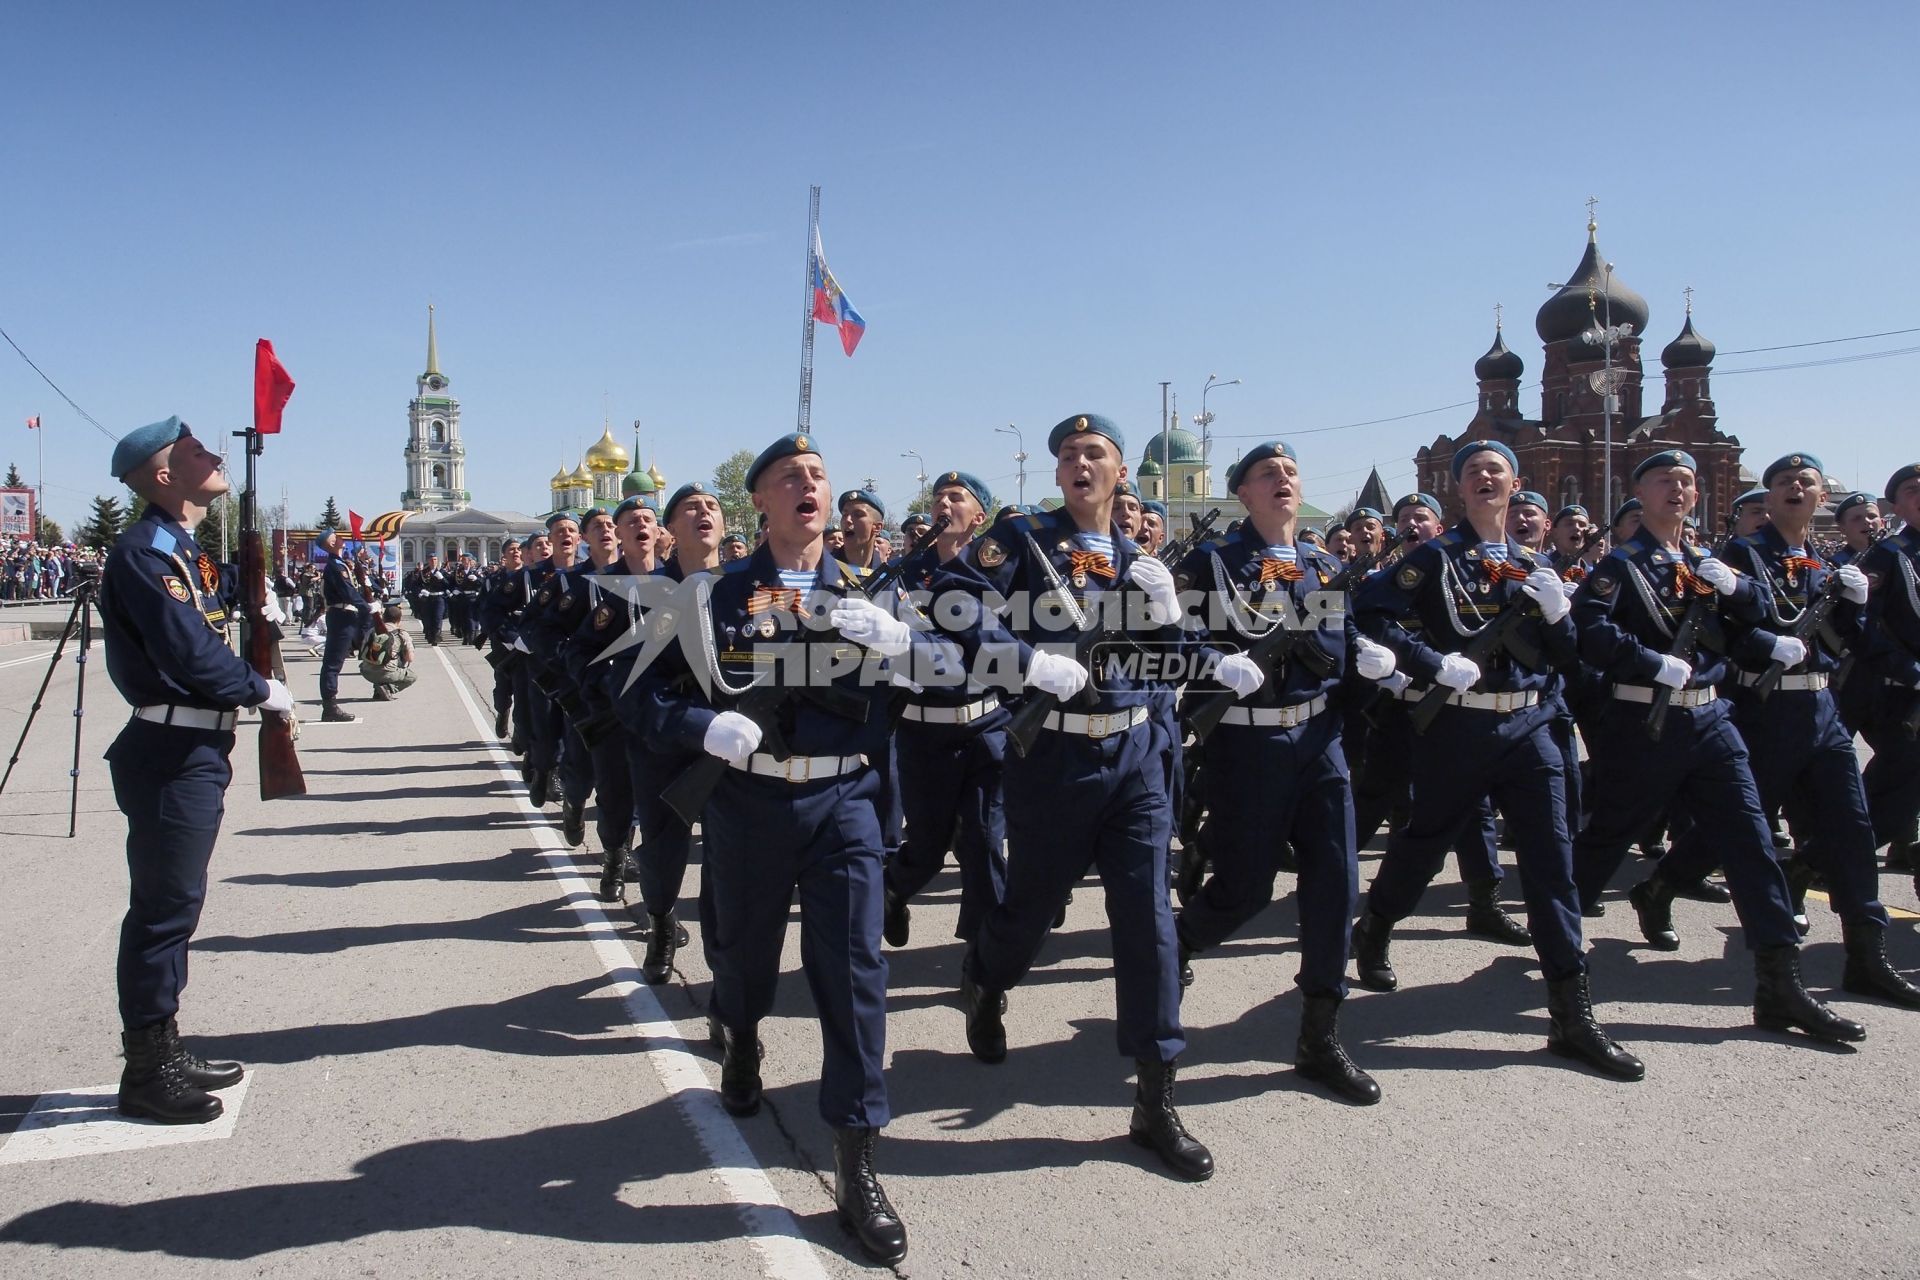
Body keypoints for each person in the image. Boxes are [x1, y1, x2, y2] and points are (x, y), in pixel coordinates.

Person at [637, 433, 948, 1265]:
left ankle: (856, 1163)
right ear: (762, 503)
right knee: (742, 958)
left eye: (818, 475)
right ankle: (739, 1036)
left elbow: (956, 666)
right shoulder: (711, 598)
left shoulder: (875, 591)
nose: (810, 486)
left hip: (846, 798)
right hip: (747, 801)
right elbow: (644, 701)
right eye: (790, 477)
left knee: (854, 975)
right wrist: (706, 724)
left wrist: (903, 645)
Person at [931, 412, 1215, 1182]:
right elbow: (954, 604)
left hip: (1136, 759)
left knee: (1149, 921)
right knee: (1030, 910)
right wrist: (1024, 662)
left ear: (1122, 473)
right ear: (1058, 475)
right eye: (1069, 455)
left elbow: (1174, 669)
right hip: (1052, 754)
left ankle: (1155, 1099)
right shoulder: (1022, 540)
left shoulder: (1139, 557)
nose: (1080, 462)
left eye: (1096, 453)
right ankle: (987, 983)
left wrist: (1171, 621)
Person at [1352, 439, 1643, 1081]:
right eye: (1474, 471)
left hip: (1532, 724)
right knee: (1424, 841)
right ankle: (1374, 924)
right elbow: (1369, 615)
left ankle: (1572, 1013)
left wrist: (1561, 613)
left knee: (1550, 863)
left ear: (1515, 485)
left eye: (1497, 471)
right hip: (1457, 727)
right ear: (1460, 488)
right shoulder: (1432, 558)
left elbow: (1566, 655)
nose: (1485, 478)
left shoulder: (1533, 564)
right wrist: (1429, 663)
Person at [1569, 450, 1865, 1045]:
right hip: (1645, 722)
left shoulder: (1703, 561)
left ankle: (1780, 985)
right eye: (1663, 481)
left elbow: (1737, 624)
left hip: (1714, 721)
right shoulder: (1621, 567)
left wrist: (1760, 638)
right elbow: (1590, 633)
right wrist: (1649, 661)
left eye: (1686, 482)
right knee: (1607, 839)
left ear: (1698, 495)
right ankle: (1559, 950)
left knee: (1753, 843)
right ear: (1640, 492)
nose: (1676, 489)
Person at [1644, 454, 1916, 1007]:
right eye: (1784, 482)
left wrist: (1858, 607)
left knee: (1853, 828)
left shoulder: (1821, 560)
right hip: (1765, 711)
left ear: (1823, 500)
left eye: (1807, 482)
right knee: (1739, 823)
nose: (1796, 488)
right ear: (1767, 498)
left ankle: (1867, 957)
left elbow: (1856, 642)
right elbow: (1719, 630)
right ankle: (1662, 884)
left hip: (1823, 708)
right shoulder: (1742, 553)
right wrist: (1768, 642)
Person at [1173, 441, 1399, 1103]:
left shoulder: (1323, 564)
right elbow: (1171, 641)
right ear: (1241, 493)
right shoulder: (1212, 565)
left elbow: (1333, 643)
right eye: (1267, 474)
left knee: (1336, 885)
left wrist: (1363, 652)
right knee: (1243, 889)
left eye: (1291, 472)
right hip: (1247, 748)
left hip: (1320, 741)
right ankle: (1177, 945)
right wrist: (1213, 664)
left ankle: (1320, 1036)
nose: (1283, 481)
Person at [98, 416, 296, 1123]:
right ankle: (147, 1071)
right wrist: (260, 687)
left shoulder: (186, 548)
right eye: (194, 452)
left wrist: (262, 597)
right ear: (162, 475)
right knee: (163, 911)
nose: (211, 457)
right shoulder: (147, 555)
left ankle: (165, 1044)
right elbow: (189, 654)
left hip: (198, 750)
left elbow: (213, 611)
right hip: (170, 752)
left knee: (177, 908)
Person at [881, 470, 1010, 964]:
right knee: (928, 847)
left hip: (987, 726)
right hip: (923, 729)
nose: (944, 503)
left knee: (983, 842)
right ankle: (894, 889)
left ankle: (984, 961)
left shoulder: (999, 574)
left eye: (957, 497)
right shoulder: (901, 577)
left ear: (978, 518)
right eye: (938, 497)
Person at [608, 482, 726, 982]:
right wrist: (697, 726)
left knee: (730, 861)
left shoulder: (758, 590)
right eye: (689, 508)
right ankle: (659, 920)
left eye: (712, 507)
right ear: (669, 530)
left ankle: (730, 986)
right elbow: (628, 685)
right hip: (665, 738)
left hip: (739, 746)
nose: (703, 512)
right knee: (662, 849)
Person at [1851, 464, 1920, 878]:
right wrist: (1910, 670)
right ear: (1894, 505)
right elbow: (1860, 626)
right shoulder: (1889, 555)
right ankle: (1815, 862)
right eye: (1912, 491)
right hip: (1903, 695)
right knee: (1892, 795)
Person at [316, 529, 363, 722]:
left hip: (349, 614)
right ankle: (330, 706)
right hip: (341, 615)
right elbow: (347, 592)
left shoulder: (341, 564)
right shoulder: (334, 566)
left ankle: (381, 684)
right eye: (334, 538)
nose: (339, 539)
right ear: (330, 544)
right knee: (333, 662)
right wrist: (367, 606)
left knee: (372, 647)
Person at [359, 603, 417, 700]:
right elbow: (410, 658)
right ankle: (388, 688)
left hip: (366, 671)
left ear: (384, 617)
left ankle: (378, 691)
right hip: (387, 673)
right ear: (399, 619)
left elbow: (362, 649)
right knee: (412, 677)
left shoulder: (372, 630)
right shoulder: (401, 633)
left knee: (378, 658)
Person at [838, 487, 887, 570]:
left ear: (877, 528)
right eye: (844, 514)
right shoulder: (825, 570)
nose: (848, 520)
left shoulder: (887, 577)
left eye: (858, 515)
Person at [1830, 492, 1883, 568]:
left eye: (1872, 516)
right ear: (1842, 529)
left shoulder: (1896, 555)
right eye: (1857, 518)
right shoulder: (1835, 565)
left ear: (1882, 523)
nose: (1866, 521)